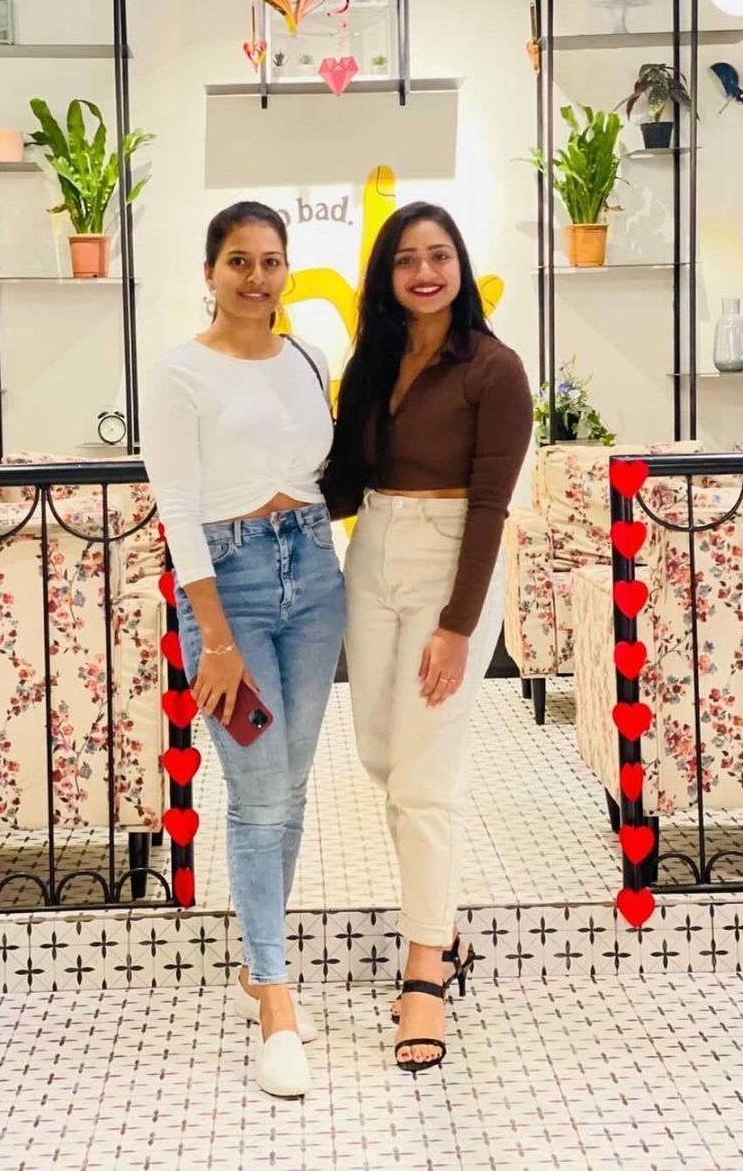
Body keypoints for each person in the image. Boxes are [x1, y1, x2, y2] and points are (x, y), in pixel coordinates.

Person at [140, 201, 345, 1100]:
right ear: (210, 271)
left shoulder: (309, 359)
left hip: (316, 575)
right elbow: (179, 511)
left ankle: (259, 970)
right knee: (258, 794)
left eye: (269, 260)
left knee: (289, 788)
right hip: (231, 587)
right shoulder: (180, 372)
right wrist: (215, 637)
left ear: (286, 268)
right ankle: (276, 998)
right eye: (238, 260)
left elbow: (322, 474)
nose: (256, 277)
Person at [323, 202, 532, 1075]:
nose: (424, 272)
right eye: (407, 258)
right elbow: (343, 481)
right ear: (387, 274)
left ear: (461, 265)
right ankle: (440, 926)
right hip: (373, 549)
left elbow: (490, 508)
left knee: (424, 774)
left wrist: (457, 624)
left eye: (439, 255)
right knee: (381, 752)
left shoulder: (495, 368)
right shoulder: (373, 361)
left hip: (453, 560)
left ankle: (424, 975)